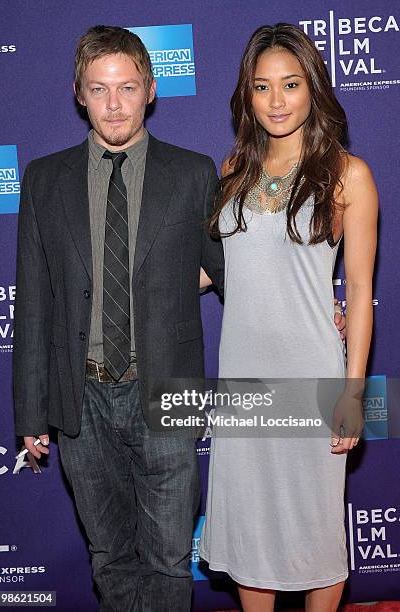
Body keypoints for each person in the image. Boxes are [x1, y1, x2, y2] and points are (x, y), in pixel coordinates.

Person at [12, 25, 224, 612]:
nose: (113, 105)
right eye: (99, 89)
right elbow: (33, 300)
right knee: (110, 557)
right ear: (79, 92)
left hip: (167, 388)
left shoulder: (192, 172)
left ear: (150, 90)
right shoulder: (43, 179)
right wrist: (31, 411)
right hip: (80, 397)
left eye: (127, 88)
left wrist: (314, 299)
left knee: (168, 557)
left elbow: (235, 269)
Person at [199, 23, 378, 612]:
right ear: (246, 96)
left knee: (315, 530)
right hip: (243, 379)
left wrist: (351, 394)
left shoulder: (347, 174)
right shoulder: (234, 170)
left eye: (291, 84)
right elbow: (217, 269)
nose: (277, 101)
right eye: (262, 87)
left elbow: (357, 287)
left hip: (310, 377)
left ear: (313, 89)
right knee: (251, 527)